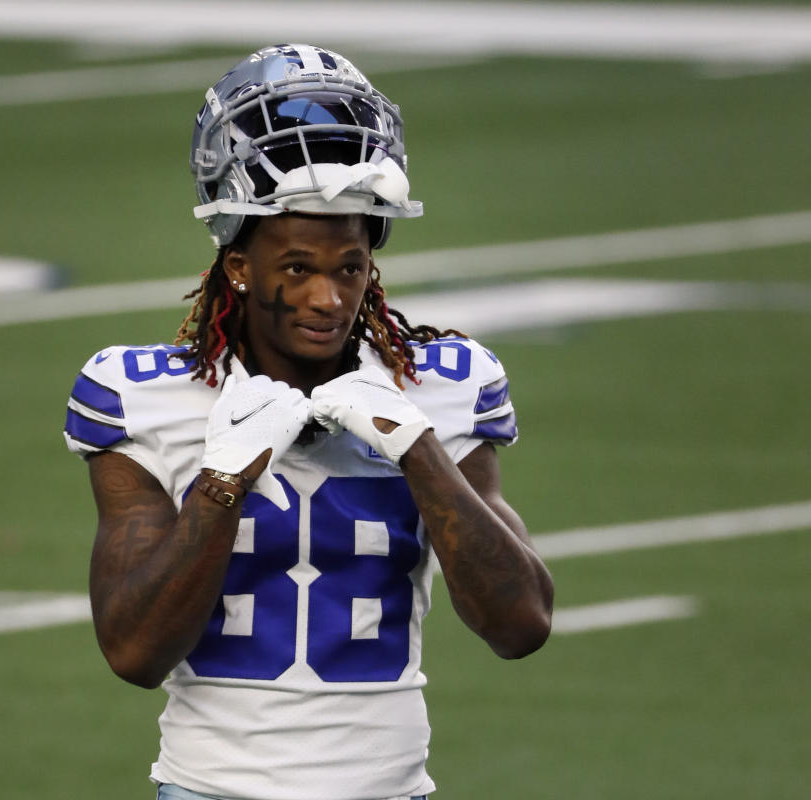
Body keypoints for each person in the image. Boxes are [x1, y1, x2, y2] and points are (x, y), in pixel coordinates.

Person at [64, 44, 553, 800]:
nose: (328, 298)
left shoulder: (443, 387)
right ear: (238, 264)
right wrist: (222, 483)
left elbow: (520, 623)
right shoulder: (144, 395)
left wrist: (419, 452)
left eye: (349, 268)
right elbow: (133, 650)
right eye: (297, 268)